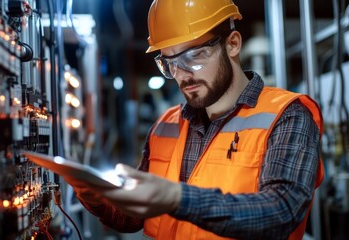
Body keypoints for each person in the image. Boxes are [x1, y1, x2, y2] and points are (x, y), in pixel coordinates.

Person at [65, 0, 324, 239]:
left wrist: (177, 198)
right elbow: (133, 218)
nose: (183, 75)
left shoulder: (287, 115)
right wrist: (94, 194)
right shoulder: (166, 124)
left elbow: (281, 212)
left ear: (232, 44)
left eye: (194, 56)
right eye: (171, 63)